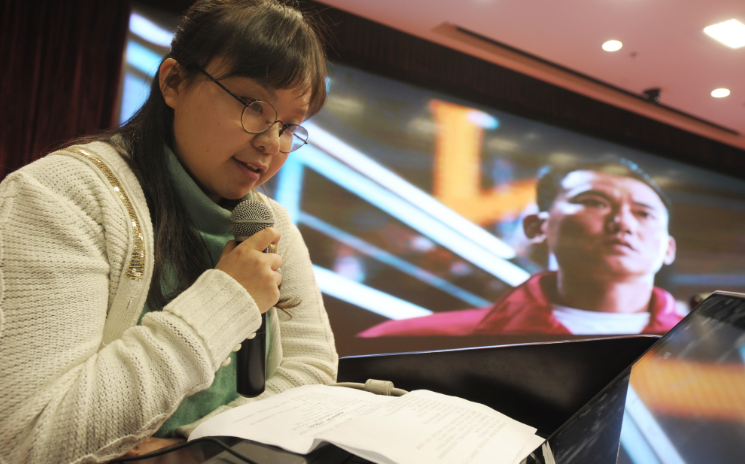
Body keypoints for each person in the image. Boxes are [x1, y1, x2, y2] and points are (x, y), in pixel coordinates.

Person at [0, 1, 338, 463]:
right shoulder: (61, 195)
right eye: (253, 106)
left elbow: (312, 371)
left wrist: (197, 442)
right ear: (174, 82)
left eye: (290, 125)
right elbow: (28, 440)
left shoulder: (270, 224)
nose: (269, 142)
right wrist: (228, 300)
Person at [359, 159, 682, 337]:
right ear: (537, 227)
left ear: (668, 248)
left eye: (644, 213)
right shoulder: (411, 341)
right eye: (594, 202)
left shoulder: (706, 353)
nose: (622, 223)